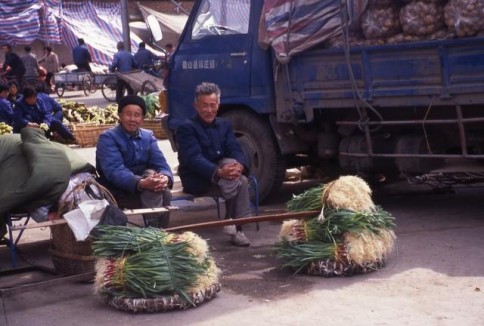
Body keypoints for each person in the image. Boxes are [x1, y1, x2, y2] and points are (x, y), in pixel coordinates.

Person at [175, 82, 251, 246]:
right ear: (196, 106)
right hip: (198, 177)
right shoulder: (186, 128)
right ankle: (236, 227)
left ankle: (232, 222)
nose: (209, 110)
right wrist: (219, 172)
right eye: (204, 106)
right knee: (240, 181)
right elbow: (193, 159)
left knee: (237, 172)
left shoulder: (224, 124)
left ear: (218, 105)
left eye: (212, 105)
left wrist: (240, 166)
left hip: (224, 175)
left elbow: (235, 148)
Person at [96, 95, 173, 228]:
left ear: (142, 118)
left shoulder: (148, 136)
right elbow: (114, 171)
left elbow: (161, 163)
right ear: (120, 116)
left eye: (137, 115)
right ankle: (154, 232)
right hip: (117, 189)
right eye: (128, 114)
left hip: (145, 185)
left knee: (163, 189)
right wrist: (142, 183)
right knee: (155, 190)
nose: (132, 119)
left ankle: (160, 233)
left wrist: (165, 178)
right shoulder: (108, 137)